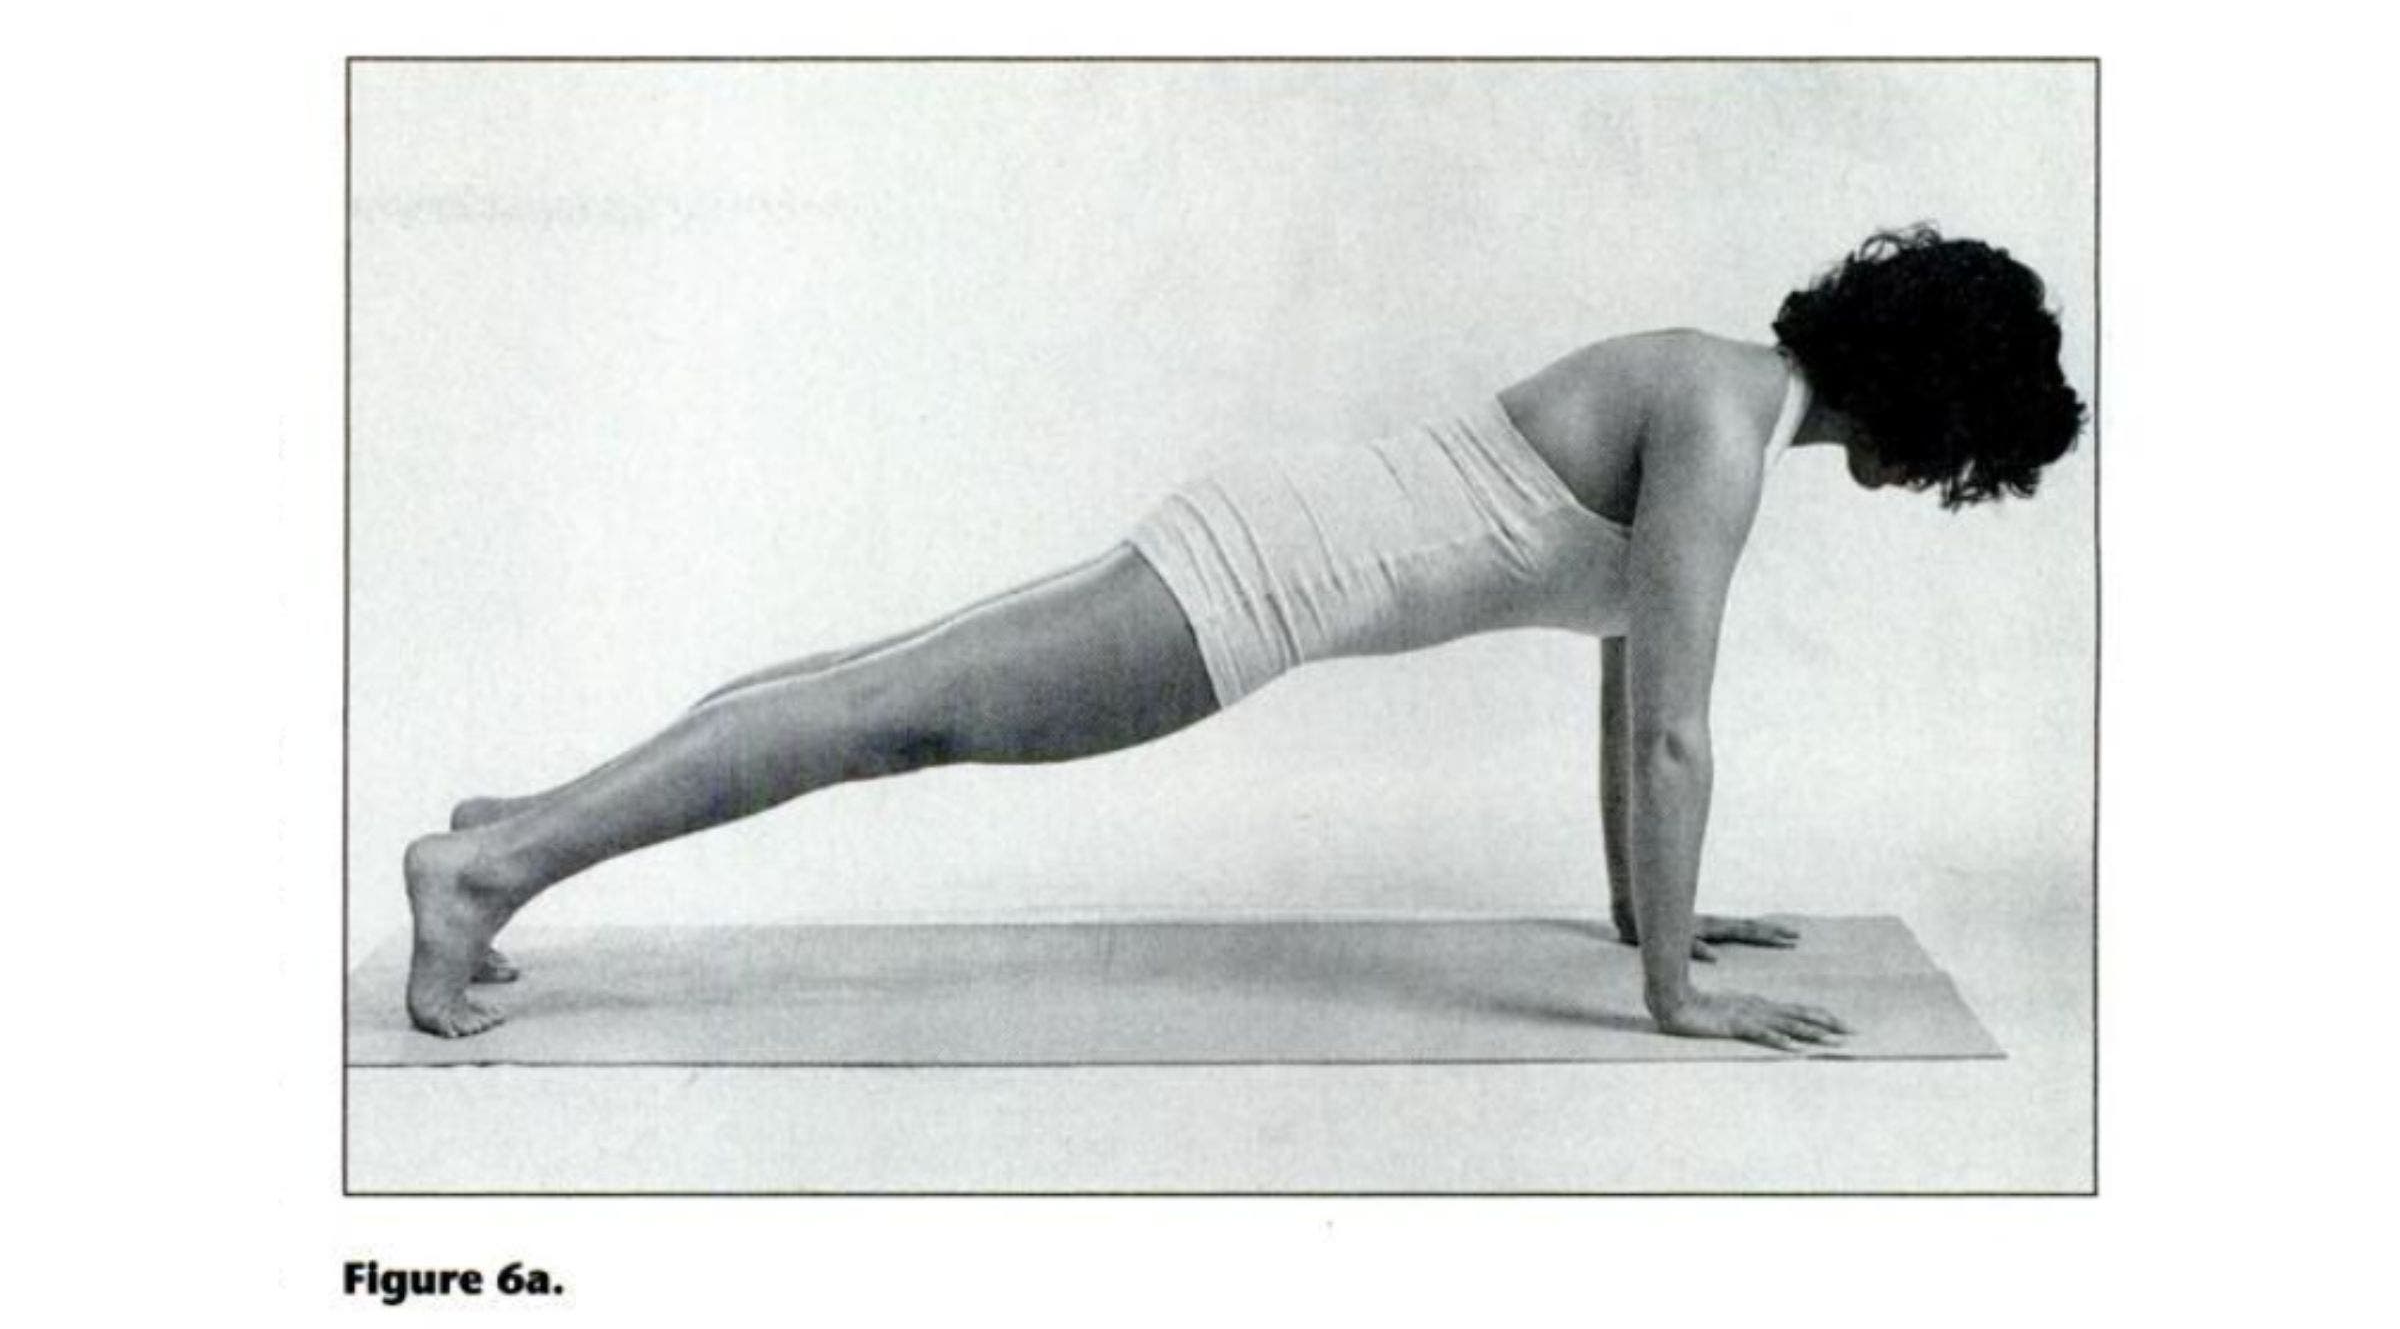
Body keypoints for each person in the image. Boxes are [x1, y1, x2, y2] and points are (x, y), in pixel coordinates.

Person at [401, 224, 2086, 1047]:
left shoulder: (1719, 395)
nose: (1941, 483)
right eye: (1966, 453)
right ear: (1931, 405)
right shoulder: (1723, 424)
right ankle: (486, 872)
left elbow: (1628, 681)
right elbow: (1672, 732)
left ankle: (516, 824)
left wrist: (1655, 916)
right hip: (1256, 582)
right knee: (888, 712)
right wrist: (1672, 1003)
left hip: (1270, 550)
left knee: (873, 689)